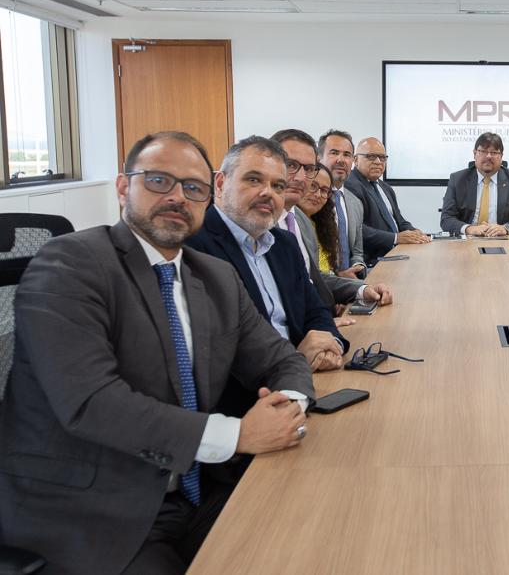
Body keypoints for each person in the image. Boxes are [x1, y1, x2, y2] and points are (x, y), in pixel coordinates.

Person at [0, 131, 314, 575]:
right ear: (123, 187)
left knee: (308, 539)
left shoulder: (216, 276)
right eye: (158, 181)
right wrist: (239, 435)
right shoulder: (68, 264)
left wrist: (287, 408)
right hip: (93, 511)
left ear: (208, 198)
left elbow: (282, 359)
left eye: (193, 188)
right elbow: (92, 402)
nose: (177, 197)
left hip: (194, 490)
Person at [186, 136, 347, 381]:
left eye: (278, 186)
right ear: (220, 183)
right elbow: (215, 353)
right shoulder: (194, 247)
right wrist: (294, 361)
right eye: (253, 180)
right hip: (258, 393)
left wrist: (330, 343)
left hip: (307, 377)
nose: (267, 193)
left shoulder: (284, 244)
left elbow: (315, 310)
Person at [271, 129, 390, 310]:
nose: (301, 177)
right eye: (291, 165)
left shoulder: (302, 220)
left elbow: (314, 278)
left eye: (308, 169)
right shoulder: (265, 222)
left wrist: (361, 287)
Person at [295, 163, 392, 310]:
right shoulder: (291, 224)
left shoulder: (322, 223)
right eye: (313, 186)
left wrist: (351, 282)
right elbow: (311, 279)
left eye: (325, 191)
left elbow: (324, 274)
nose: (318, 195)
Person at [347, 136, 430, 265]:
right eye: (371, 156)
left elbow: (399, 221)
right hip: (372, 260)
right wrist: (395, 238)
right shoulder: (350, 185)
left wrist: (415, 232)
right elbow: (356, 229)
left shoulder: (385, 187)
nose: (378, 162)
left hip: (397, 253)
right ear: (356, 160)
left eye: (382, 157)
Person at [440, 132, 509, 236]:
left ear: (501, 156)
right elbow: (446, 218)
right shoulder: (457, 179)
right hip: (468, 239)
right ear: (474, 154)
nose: (488, 156)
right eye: (483, 151)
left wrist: (505, 228)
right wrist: (468, 229)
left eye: (494, 152)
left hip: (503, 239)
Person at [316, 129, 366, 278]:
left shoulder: (356, 203)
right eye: (334, 153)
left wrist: (358, 267)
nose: (341, 160)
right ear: (318, 158)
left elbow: (357, 252)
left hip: (351, 282)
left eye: (347, 155)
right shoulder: (311, 200)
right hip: (323, 282)